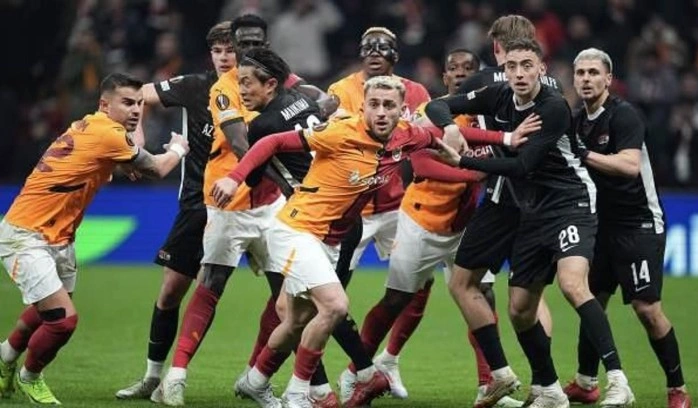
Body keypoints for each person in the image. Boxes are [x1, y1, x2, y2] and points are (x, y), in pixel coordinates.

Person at [211, 75, 513, 408]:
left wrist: (506, 138)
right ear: (363, 107)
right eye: (374, 105)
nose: (381, 112)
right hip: (297, 230)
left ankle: (255, 381)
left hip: (328, 241)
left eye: (389, 106)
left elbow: (445, 134)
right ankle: (299, 393)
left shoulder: (406, 135)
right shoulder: (339, 132)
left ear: (401, 110)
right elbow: (271, 143)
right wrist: (234, 178)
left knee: (297, 320)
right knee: (335, 306)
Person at [428, 38, 635, 408]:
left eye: (527, 65)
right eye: (512, 66)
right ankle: (550, 389)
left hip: (569, 202)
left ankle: (618, 380)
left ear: (542, 68)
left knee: (573, 285)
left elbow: (523, 165)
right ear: (503, 70)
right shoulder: (498, 95)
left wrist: (463, 162)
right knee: (520, 310)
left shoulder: (552, 108)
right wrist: (451, 127)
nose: (519, 73)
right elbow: (436, 104)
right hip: (531, 211)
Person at [355, 48, 536, 408]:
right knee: (396, 300)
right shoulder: (430, 113)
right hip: (422, 221)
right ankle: (356, 371)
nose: (460, 74)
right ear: (445, 76)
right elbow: (422, 166)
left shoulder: (487, 119)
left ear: (477, 78)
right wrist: (474, 172)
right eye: (453, 68)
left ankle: (489, 383)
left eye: (468, 69)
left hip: (465, 225)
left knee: (481, 294)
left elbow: (505, 152)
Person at [0, 73, 189, 405]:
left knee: (44, 311)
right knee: (63, 321)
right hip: (27, 235)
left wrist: (125, 159)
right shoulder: (107, 134)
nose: (135, 110)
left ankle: (5, 357)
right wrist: (178, 148)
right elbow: (158, 168)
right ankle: (30, 376)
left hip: (59, 236)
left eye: (139, 104)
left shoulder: (93, 125)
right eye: (127, 103)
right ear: (105, 104)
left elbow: (123, 150)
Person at [115, 21, 236, 401]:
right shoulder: (195, 86)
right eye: (217, 50)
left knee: (286, 298)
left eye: (230, 49)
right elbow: (135, 95)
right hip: (198, 205)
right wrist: (135, 140)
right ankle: (153, 378)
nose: (223, 57)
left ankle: (274, 383)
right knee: (170, 293)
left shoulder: (258, 88)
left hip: (250, 207)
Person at [565, 48, 691, 408]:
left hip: (638, 223)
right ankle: (586, 383)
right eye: (580, 73)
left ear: (608, 78)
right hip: (599, 224)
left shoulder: (624, 115)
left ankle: (678, 389)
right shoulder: (576, 120)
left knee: (646, 309)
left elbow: (629, 166)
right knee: (591, 300)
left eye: (593, 72)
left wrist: (585, 154)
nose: (586, 79)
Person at [450, 15, 558, 406]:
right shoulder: (553, 86)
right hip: (545, 200)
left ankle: (499, 372)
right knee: (532, 296)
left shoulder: (482, 83)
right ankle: (544, 384)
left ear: (496, 46)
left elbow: (444, 115)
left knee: (463, 283)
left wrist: (459, 139)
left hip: (502, 193)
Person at [326, 26, 432, 403]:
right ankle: (340, 371)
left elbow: (427, 142)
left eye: (382, 47)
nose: (374, 52)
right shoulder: (340, 90)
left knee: (420, 283)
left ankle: (389, 359)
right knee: (327, 295)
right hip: (350, 208)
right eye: (367, 46)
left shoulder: (416, 92)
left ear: (395, 55)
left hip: (394, 207)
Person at [228, 47, 338, 408]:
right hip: (311, 219)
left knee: (298, 313)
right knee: (328, 308)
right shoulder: (301, 99)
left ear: (270, 84)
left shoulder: (262, 125)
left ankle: (258, 380)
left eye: (248, 82)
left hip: (310, 211)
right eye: (239, 82)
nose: (242, 90)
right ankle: (308, 390)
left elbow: (254, 176)